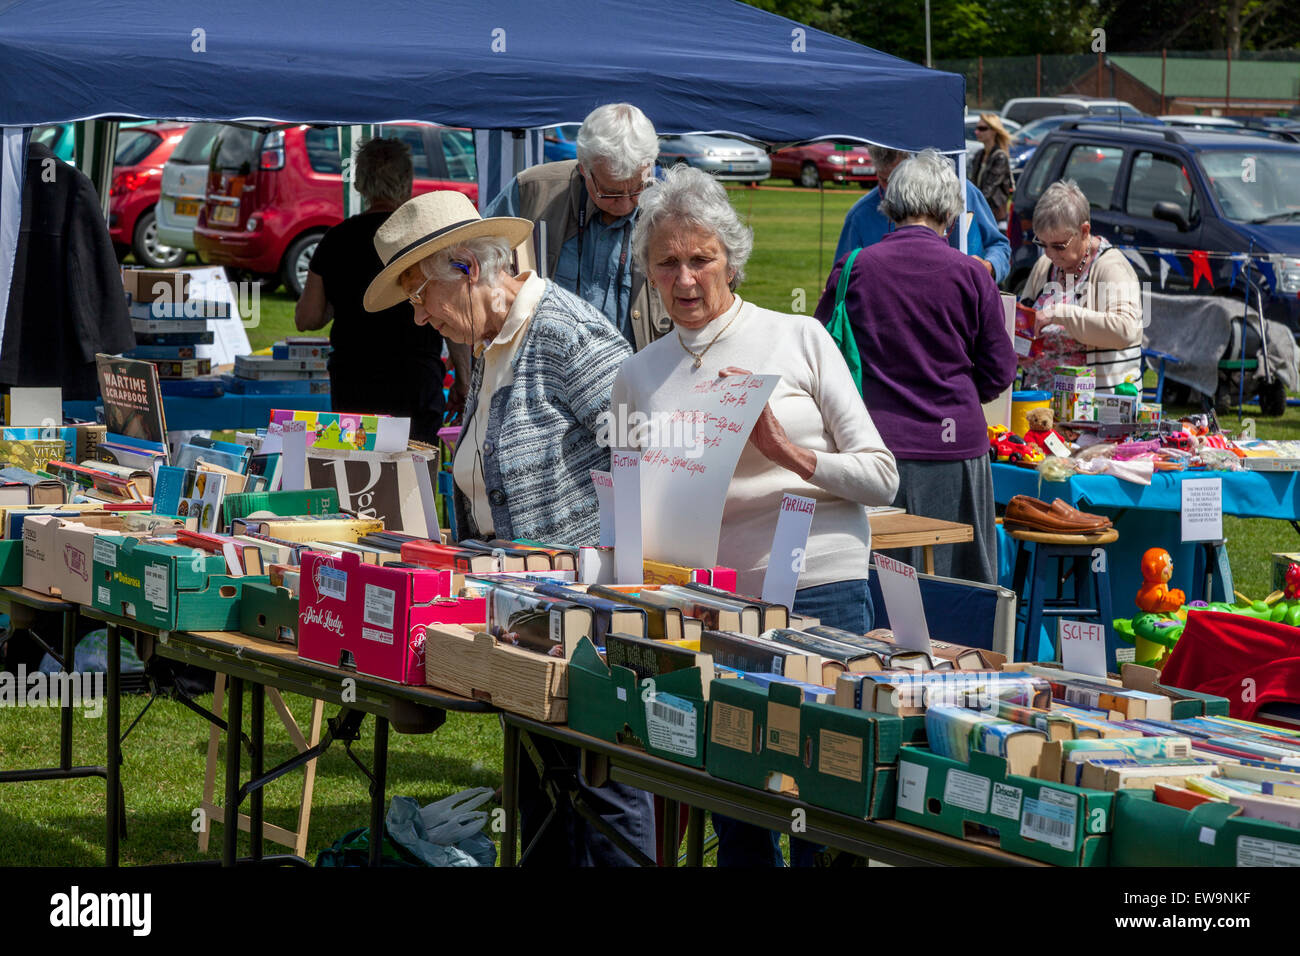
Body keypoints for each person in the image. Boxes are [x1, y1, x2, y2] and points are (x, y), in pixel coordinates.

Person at [612, 164, 899, 866]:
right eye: (667, 263)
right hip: (714, 606)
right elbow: (626, 505)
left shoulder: (799, 338)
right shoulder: (639, 374)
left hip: (820, 588)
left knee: (825, 788)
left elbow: (883, 477)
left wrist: (791, 454)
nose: (685, 280)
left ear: (730, 260)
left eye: (701, 259)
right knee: (735, 796)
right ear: (648, 271)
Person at [364, 189, 652, 866]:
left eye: (420, 294)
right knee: (545, 790)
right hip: (526, 616)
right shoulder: (491, 340)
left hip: (588, 622)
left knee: (601, 791)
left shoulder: (562, 331)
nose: (418, 314)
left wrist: (599, 574)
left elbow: (644, 455)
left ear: (467, 269)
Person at [815, 150, 1017, 586]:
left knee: (877, 591)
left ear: (890, 203)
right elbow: (1000, 371)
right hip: (954, 450)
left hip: (875, 447)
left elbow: (818, 358)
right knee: (957, 594)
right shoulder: (972, 275)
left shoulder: (854, 269)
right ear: (950, 211)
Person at [295, 137, 468, 442]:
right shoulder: (423, 241)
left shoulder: (336, 240)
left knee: (355, 477)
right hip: (415, 380)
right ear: (407, 181)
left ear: (360, 182)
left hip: (355, 382)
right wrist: (464, 381)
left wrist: (344, 297)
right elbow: (450, 313)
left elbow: (307, 318)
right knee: (416, 481)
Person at [484, 103, 671, 350]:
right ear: (584, 168)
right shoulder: (533, 191)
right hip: (546, 374)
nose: (626, 204)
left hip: (639, 377)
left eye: (637, 188)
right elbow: (475, 267)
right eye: (611, 192)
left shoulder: (670, 205)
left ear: (649, 166)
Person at [1, 139, 135, 399]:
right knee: (34, 436)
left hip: (34, 357)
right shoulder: (68, 184)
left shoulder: (70, 185)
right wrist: (104, 344)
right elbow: (93, 273)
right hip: (45, 357)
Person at [1018, 180, 1143, 389]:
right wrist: (1021, 349)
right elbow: (1024, 322)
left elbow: (1125, 330)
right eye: (1042, 243)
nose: (1049, 253)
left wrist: (1059, 313)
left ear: (1084, 231)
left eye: (1059, 246)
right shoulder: (1045, 266)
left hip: (1094, 410)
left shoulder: (1111, 267)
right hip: (1038, 406)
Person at [834, 145, 1011, 283]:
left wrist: (989, 266)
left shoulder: (961, 192)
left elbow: (1000, 247)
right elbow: (842, 279)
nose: (891, 189)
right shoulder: (860, 215)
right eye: (883, 179)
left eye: (897, 178)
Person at [969, 113, 1013, 229]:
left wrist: (970, 205)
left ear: (994, 131)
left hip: (995, 219)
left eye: (982, 128)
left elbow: (988, 190)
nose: (977, 132)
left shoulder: (1000, 157)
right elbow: (972, 184)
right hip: (980, 215)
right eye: (977, 128)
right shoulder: (979, 155)